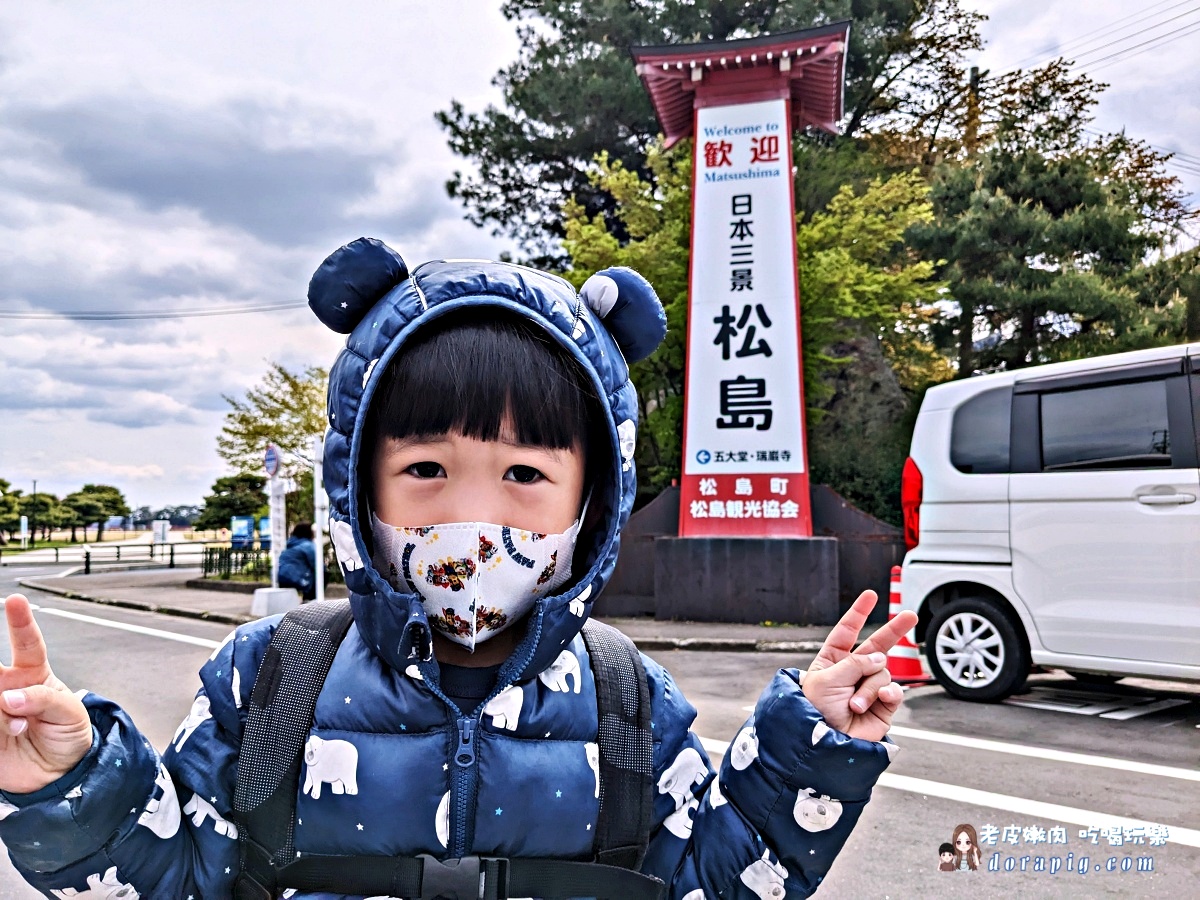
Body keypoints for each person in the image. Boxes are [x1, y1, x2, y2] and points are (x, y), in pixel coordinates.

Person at [0, 238, 919, 898]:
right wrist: (71, 783)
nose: (473, 517)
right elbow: (175, 876)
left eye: (525, 475)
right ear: (361, 485)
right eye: (427, 470)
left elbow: (716, 878)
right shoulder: (270, 674)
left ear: (590, 503)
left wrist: (813, 747)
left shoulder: (626, 696)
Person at [277, 522, 317, 601]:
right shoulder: (308, 545)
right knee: (322, 572)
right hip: (296, 579)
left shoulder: (290, 543)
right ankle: (309, 599)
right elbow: (317, 564)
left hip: (282, 577)